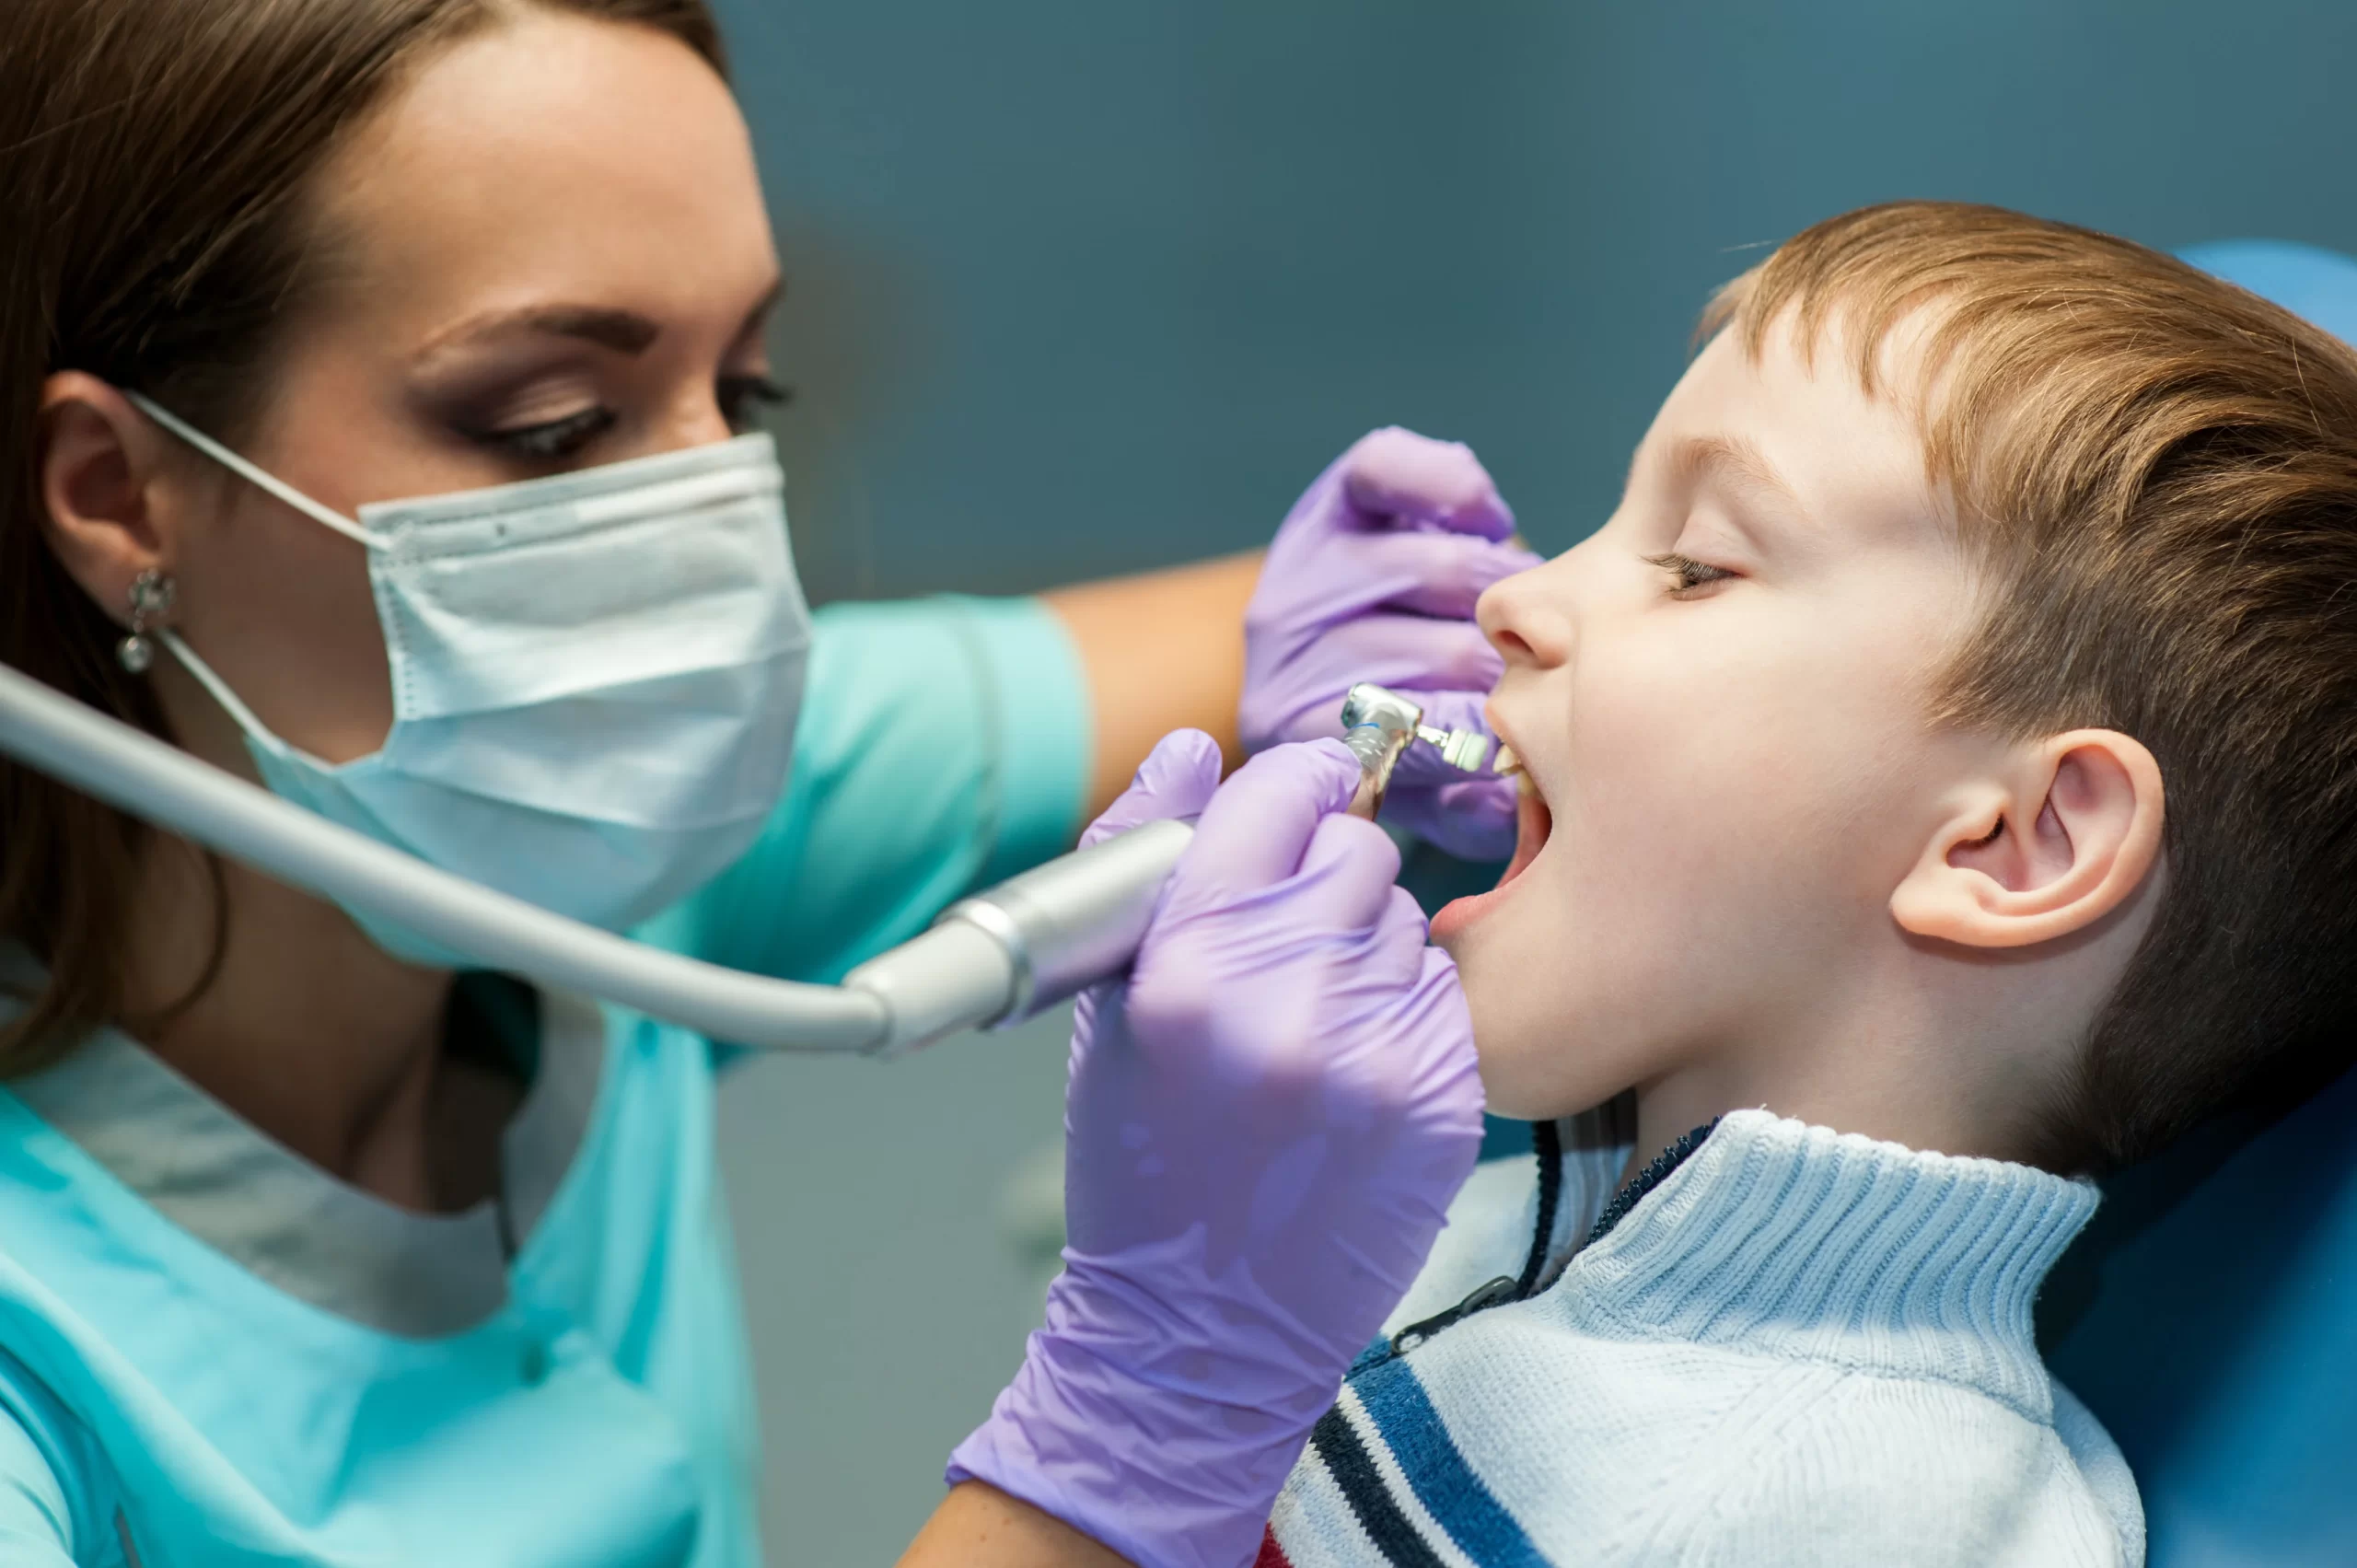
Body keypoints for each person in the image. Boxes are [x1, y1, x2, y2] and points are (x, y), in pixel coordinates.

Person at [0, 2, 1532, 1563]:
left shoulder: (598, 811)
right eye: (553, 426)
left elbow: (1315, 638)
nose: (717, 541)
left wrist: (1408, 642)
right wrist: (1143, 1410)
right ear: (120, 495)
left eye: (742, 395)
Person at [1173, 202, 2357, 1566]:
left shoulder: (1847, 1515)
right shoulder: (1442, 1227)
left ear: (2015, 845)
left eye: (1694, 567)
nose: (1519, 599)